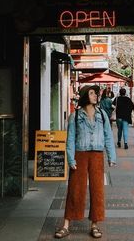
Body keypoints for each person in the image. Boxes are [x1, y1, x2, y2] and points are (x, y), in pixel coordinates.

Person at [54, 85, 116, 239]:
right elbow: (70, 139)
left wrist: (111, 156)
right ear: (85, 96)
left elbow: (108, 136)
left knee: (97, 190)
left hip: (96, 155)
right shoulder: (75, 116)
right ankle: (66, 225)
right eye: (92, 93)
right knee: (75, 189)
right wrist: (70, 158)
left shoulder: (102, 115)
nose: (95, 95)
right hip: (79, 155)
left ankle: (95, 225)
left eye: (96, 93)